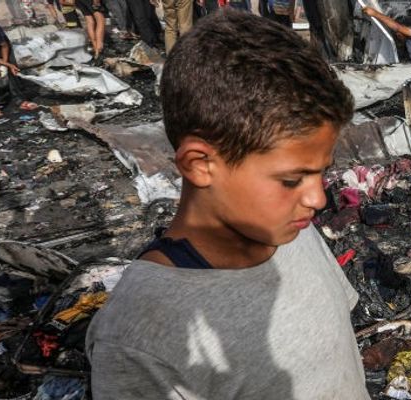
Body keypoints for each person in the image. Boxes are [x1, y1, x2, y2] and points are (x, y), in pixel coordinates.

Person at [86, 10, 370, 399]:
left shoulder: (292, 233)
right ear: (200, 165)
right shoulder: (140, 336)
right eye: (291, 180)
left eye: (322, 172)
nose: (317, 198)